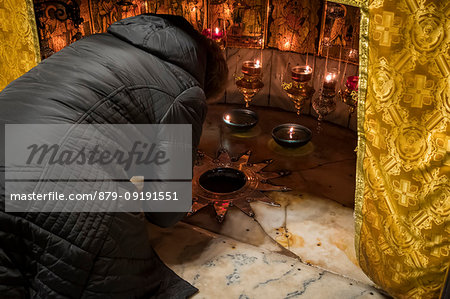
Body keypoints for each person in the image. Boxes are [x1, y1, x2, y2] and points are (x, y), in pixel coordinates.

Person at [0, 14, 228, 298]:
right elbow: (166, 211)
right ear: (206, 79)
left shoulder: (94, 41)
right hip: (56, 180)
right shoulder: (187, 87)